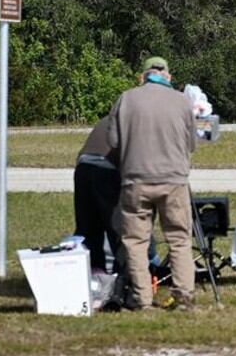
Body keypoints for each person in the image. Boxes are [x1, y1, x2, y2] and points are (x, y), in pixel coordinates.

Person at [107, 56, 198, 311]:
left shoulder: (126, 98)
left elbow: (113, 141)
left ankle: (142, 298)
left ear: (143, 76)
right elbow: (192, 143)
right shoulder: (182, 101)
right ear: (167, 75)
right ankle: (184, 296)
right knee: (179, 239)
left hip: (135, 180)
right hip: (173, 180)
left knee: (136, 242)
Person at [73, 112, 120, 272]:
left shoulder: (109, 118)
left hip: (83, 167)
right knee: (118, 227)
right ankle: (123, 275)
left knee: (87, 228)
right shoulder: (134, 120)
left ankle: (92, 272)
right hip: (107, 170)